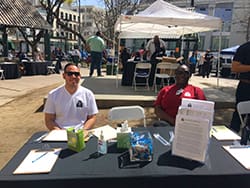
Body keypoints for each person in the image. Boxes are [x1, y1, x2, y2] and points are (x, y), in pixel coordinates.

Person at [43, 62, 99, 130]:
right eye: (70, 74)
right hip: (60, 133)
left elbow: (92, 117)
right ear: (64, 76)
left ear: (80, 76)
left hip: (81, 133)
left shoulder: (88, 94)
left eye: (76, 74)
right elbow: (49, 119)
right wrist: (59, 132)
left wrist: (83, 131)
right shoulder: (53, 95)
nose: (73, 76)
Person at [229, 41, 250, 133]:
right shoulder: (244, 48)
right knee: (238, 115)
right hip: (246, 87)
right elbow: (235, 67)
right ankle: (231, 139)